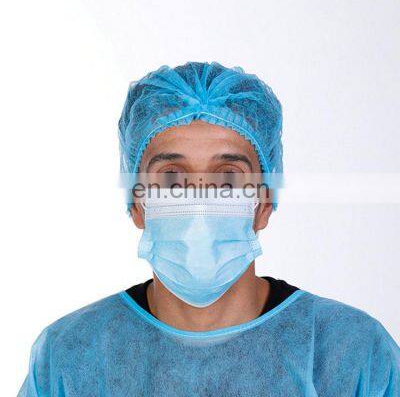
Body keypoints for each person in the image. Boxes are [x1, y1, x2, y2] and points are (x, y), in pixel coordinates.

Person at [18, 62, 399, 396]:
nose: (199, 200)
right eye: (172, 178)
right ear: (137, 204)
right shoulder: (70, 353)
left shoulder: (350, 350)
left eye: (228, 178)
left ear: (264, 204)